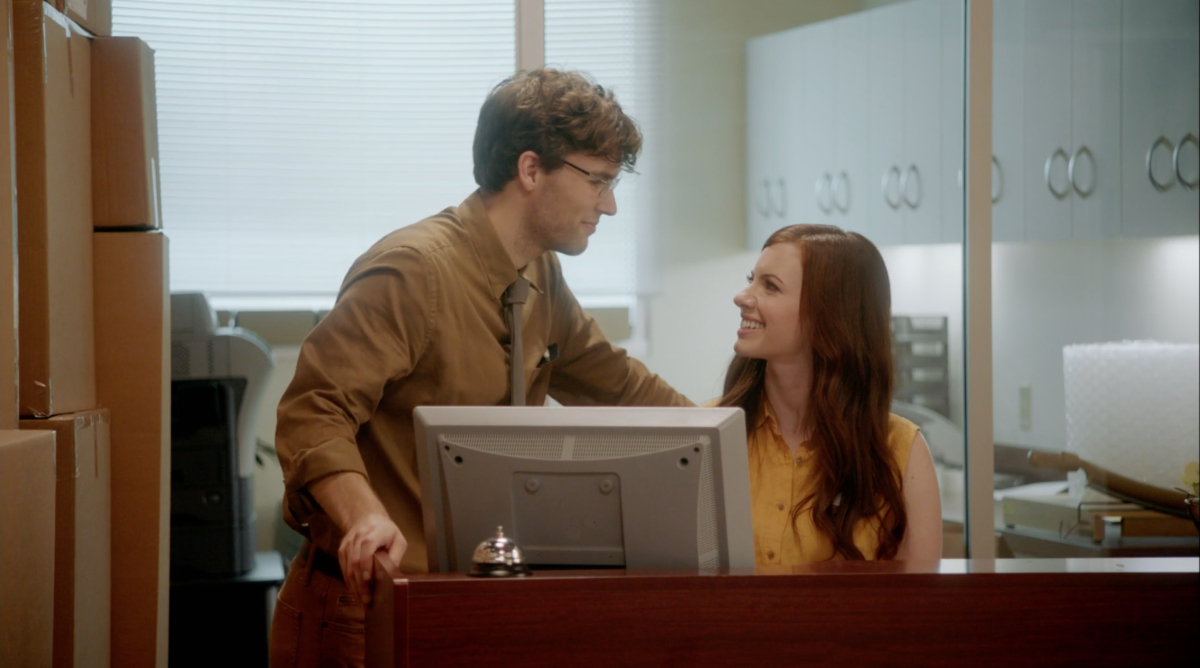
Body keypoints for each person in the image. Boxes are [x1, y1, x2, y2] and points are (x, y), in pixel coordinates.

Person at [269, 69, 691, 667]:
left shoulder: (539, 273)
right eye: (598, 180)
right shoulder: (413, 270)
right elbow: (314, 412)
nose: (610, 204)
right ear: (530, 170)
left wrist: (728, 435)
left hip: (463, 605)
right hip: (364, 607)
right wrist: (364, 518)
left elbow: (617, 384)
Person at [717, 224, 941, 565]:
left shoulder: (901, 451)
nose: (742, 297)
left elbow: (919, 595)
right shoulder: (711, 435)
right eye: (752, 279)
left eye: (770, 286)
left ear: (831, 315)